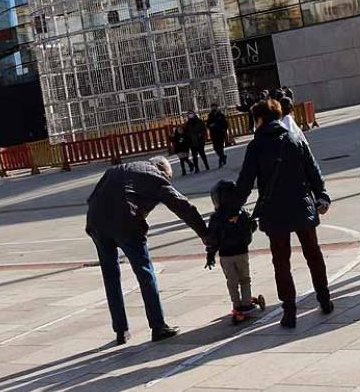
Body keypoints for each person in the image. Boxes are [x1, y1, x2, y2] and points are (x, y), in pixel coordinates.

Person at [227, 99, 332, 328]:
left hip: (274, 211)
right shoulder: (295, 139)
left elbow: (244, 182)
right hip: (302, 204)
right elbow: (312, 170)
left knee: (281, 261)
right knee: (313, 254)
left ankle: (289, 311)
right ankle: (324, 298)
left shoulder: (256, 146)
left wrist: (233, 209)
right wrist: (322, 196)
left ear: (259, 119)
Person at [85, 156, 209, 344]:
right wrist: (204, 233)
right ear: (163, 170)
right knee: (144, 272)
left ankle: (120, 330)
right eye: (168, 178)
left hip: (96, 221)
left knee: (110, 277)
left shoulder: (119, 169)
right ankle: (158, 326)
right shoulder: (154, 174)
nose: (167, 181)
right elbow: (181, 204)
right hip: (125, 222)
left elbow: (93, 197)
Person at [205, 179, 266, 324]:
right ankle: (247, 303)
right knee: (245, 278)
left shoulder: (216, 218)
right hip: (241, 252)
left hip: (226, 255)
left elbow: (213, 239)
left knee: (231, 281)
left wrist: (210, 255)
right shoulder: (243, 213)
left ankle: (236, 304)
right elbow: (253, 226)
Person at [207, 102, 229, 167]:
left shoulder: (221, 115)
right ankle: (222, 156)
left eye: (214, 107)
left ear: (217, 107)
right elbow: (208, 124)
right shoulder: (210, 115)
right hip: (213, 133)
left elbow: (225, 123)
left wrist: (222, 128)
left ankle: (221, 160)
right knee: (215, 147)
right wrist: (210, 125)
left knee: (220, 147)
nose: (213, 108)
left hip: (220, 133)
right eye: (212, 107)